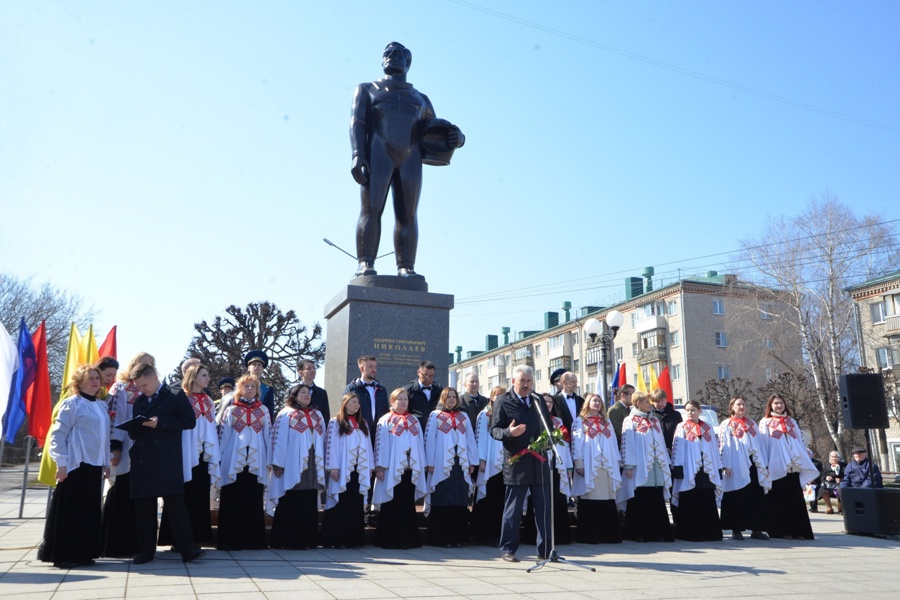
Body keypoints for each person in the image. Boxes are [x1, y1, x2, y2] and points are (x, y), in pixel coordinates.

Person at [350, 41, 465, 278]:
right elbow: (357, 123)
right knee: (371, 209)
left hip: (409, 159)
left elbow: (436, 130)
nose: (391, 56)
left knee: (408, 214)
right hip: (377, 155)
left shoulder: (420, 98)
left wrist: (459, 137)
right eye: (387, 53)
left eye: (397, 54)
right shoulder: (367, 89)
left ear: (407, 62)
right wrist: (357, 154)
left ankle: (406, 266)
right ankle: (365, 263)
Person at [128, 363, 203, 564]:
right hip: (144, 458)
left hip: (167, 458)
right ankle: (146, 550)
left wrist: (160, 422)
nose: (141, 389)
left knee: (176, 506)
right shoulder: (140, 401)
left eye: (144, 385)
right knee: (144, 507)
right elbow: (135, 429)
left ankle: (188, 549)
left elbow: (189, 421)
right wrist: (133, 427)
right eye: (138, 386)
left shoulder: (175, 395)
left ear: (154, 377)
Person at [38, 365, 110, 569]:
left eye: (97, 377)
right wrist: (61, 463)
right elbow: (58, 435)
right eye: (90, 378)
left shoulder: (100, 405)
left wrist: (105, 462)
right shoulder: (72, 404)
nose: (95, 381)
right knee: (70, 511)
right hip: (76, 463)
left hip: (94, 465)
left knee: (89, 510)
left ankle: (84, 552)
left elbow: (104, 436)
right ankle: (64, 553)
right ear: (79, 382)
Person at [490, 365, 553, 562]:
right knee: (513, 509)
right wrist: (510, 433)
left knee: (543, 509)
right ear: (513, 382)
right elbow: (494, 431)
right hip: (517, 463)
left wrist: (548, 441)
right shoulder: (502, 401)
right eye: (522, 381)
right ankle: (507, 549)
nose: (526, 384)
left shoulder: (537, 399)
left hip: (539, 462)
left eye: (528, 381)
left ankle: (546, 550)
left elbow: (547, 426)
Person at [159, 363, 220, 547]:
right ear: (193, 377)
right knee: (182, 495)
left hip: (203, 455)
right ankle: (177, 540)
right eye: (204, 375)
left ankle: (196, 538)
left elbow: (210, 427)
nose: (208, 378)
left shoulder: (209, 401)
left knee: (199, 494)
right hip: (183, 452)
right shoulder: (180, 398)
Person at [101, 352, 149, 558]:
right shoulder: (121, 388)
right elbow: (115, 418)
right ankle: (113, 543)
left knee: (140, 496)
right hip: (125, 447)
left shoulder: (151, 391)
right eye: (142, 364)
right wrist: (115, 446)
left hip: (145, 450)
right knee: (121, 491)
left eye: (150, 365)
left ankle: (138, 543)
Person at [268, 383, 325, 549]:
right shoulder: (286, 414)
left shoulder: (318, 415)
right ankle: (287, 540)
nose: (307, 395)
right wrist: (278, 463)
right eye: (303, 392)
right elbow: (277, 439)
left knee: (308, 500)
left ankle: (308, 540)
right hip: (292, 463)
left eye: (308, 392)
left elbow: (323, 438)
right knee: (291, 501)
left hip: (312, 464)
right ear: (294, 395)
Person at [217, 374, 271, 550]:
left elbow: (267, 435)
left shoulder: (263, 410)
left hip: (256, 460)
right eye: (246, 386)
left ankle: (253, 541)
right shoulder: (231, 410)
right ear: (239, 389)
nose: (249, 389)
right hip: (234, 459)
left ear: (257, 390)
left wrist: (269, 460)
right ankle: (230, 540)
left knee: (253, 498)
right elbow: (223, 436)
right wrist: (219, 458)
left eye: (253, 386)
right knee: (232, 497)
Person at [372, 388, 427, 549]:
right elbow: (380, 445)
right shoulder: (386, 420)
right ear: (392, 401)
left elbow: (419, 443)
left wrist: (419, 464)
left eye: (405, 399)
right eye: (399, 399)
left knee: (407, 504)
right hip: (391, 469)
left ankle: (408, 539)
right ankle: (389, 540)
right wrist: (380, 467)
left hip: (409, 469)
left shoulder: (413, 421)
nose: (403, 402)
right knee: (391, 504)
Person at [758, 394, 818, 540]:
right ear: (770, 406)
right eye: (776, 403)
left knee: (795, 499)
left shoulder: (791, 421)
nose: (779, 406)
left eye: (781, 403)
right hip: (776, 465)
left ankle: (799, 530)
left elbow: (799, 441)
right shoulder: (765, 422)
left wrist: (804, 457)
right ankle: (781, 531)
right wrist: (764, 464)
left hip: (793, 466)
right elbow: (763, 445)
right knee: (779, 499)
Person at [617, 391, 674, 543]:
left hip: (657, 467)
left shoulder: (654, 421)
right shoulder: (630, 420)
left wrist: (665, 462)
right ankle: (639, 532)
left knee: (656, 499)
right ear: (638, 403)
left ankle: (659, 532)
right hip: (641, 465)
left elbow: (660, 441)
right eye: (648, 402)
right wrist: (628, 465)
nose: (651, 405)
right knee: (641, 499)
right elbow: (627, 443)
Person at [424, 387, 478, 547]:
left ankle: (457, 537)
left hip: (460, 464)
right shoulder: (435, 416)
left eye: (454, 397)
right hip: (442, 463)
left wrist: (472, 461)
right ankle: (441, 538)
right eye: (448, 397)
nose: (452, 399)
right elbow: (430, 440)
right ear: (443, 399)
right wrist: (430, 462)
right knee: (442, 499)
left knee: (459, 500)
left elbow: (470, 439)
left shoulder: (464, 416)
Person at [322, 392, 374, 548]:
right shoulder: (335, 422)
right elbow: (331, 445)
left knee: (355, 503)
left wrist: (370, 467)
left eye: (358, 402)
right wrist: (333, 467)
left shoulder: (363, 423)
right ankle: (337, 539)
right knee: (341, 503)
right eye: (353, 402)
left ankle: (354, 539)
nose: (356, 405)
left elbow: (368, 446)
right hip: (342, 468)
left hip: (359, 469)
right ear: (344, 404)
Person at [571, 393, 622, 544]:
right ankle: (589, 535)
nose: (597, 403)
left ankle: (608, 535)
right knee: (590, 496)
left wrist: (617, 462)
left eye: (599, 401)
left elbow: (613, 442)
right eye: (594, 400)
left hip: (606, 466)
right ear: (587, 403)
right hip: (589, 465)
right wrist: (579, 463)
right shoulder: (580, 421)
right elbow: (576, 443)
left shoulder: (606, 421)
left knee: (607, 497)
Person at [522, 393, 572, 546]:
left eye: (550, 402)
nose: (548, 404)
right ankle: (533, 536)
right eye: (545, 402)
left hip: (555, 465)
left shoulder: (558, 421)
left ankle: (559, 536)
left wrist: (568, 465)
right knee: (537, 499)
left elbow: (565, 444)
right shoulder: (533, 420)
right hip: (537, 463)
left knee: (556, 498)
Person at [671, 400, 723, 542]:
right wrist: (678, 467)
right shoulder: (682, 427)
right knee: (690, 500)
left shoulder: (708, 428)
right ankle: (689, 533)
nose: (690, 413)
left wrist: (718, 468)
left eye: (693, 410)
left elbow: (714, 448)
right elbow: (677, 447)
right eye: (687, 410)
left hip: (706, 470)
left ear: (700, 411)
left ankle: (710, 533)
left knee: (706, 500)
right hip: (689, 469)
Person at [719, 396, 770, 541]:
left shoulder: (751, 423)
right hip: (736, 464)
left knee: (755, 495)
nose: (741, 407)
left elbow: (759, 443)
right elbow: (724, 445)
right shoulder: (727, 424)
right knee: (737, 496)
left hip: (753, 462)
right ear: (732, 407)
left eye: (743, 404)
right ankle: (736, 529)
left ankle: (756, 528)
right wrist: (726, 464)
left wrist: (763, 463)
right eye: (738, 404)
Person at [471, 385, 507, 546]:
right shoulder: (485, 414)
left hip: (505, 462)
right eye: (496, 396)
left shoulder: (508, 413)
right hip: (489, 462)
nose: (499, 399)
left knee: (501, 500)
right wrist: (481, 460)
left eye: (503, 396)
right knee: (487, 499)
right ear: (491, 398)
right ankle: (483, 534)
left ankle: (500, 534)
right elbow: (480, 438)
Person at [344, 355, 389, 445]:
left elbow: (385, 411)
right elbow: (345, 411)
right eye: (370, 367)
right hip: (359, 432)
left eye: (375, 367)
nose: (374, 370)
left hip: (379, 433)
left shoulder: (381, 389)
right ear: (361, 369)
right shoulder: (352, 388)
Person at [403, 360, 443, 431]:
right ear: (418, 372)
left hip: (435, 430)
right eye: (425, 375)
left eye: (431, 376)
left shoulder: (439, 390)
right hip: (415, 429)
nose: (428, 378)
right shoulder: (408, 390)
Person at [650, 389, 682, 456]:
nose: (660, 403)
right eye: (657, 401)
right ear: (652, 402)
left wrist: (671, 448)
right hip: (654, 450)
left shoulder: (675, 414)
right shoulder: (649, 415)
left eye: (662, 400)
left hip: (673, 450)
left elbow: (680, 433)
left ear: (666, 399)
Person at [607, 384, 636, 449]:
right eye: (633, 395)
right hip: (621, 448)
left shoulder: (629, 409)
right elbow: (618, 433)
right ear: (623, 395)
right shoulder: (615, 410)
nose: (635, 398)